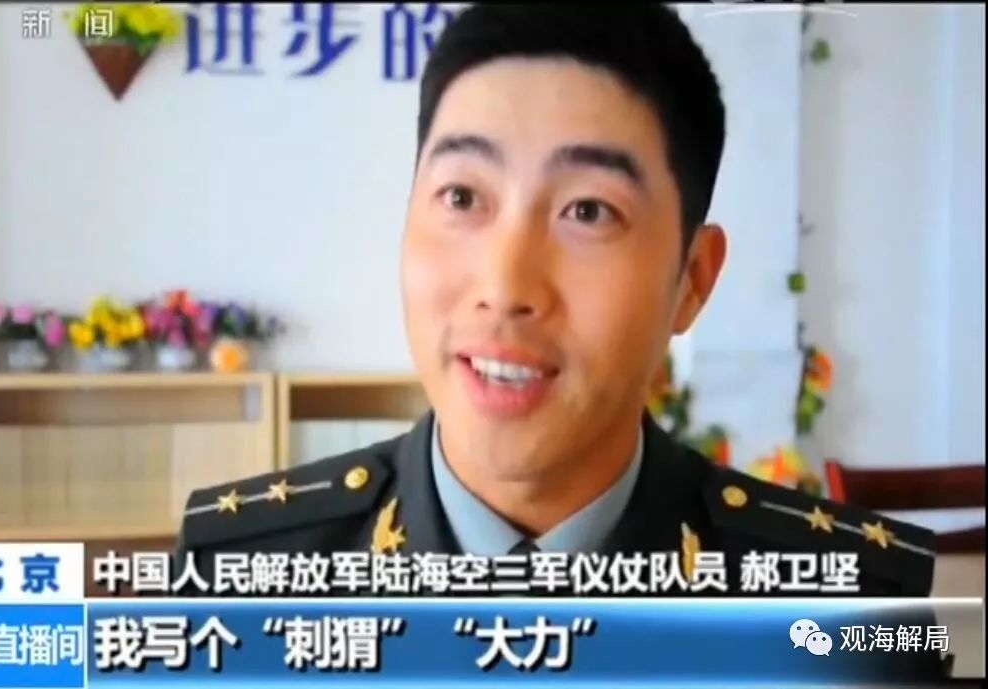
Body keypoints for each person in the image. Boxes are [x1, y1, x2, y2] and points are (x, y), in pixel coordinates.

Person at [173, 2, 946, 656]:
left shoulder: (850, 613)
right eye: (461, 196)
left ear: (691, 280)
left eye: (588, 210)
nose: (504, 287)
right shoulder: (236, 579)